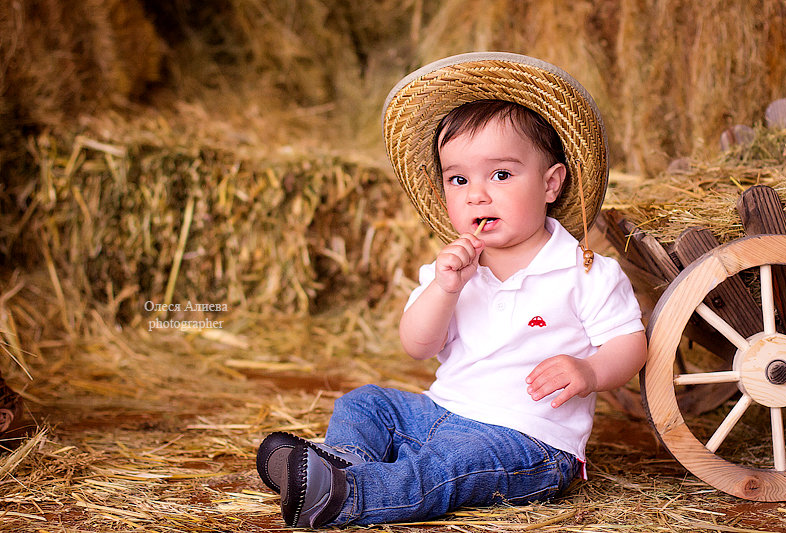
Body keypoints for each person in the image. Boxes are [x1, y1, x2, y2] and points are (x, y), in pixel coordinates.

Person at [256, 52, 647, 528]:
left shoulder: (584, 271)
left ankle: (349, 497)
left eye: (500, 175)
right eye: (458, 179)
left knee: (441, 472)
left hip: (526, 440)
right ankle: (343, 461)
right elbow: (417, 347)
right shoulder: (453, 268)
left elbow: (631, 343)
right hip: (440, 412)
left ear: (551, 183)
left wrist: (589, 369)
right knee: (367, 401)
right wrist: (444, 289)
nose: (476, 194)